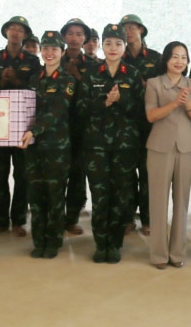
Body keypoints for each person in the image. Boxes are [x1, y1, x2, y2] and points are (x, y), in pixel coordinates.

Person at [77, 23, 145, 264]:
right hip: (96, 146)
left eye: (118, 43)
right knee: (100, 195)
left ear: (125, 46)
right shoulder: (91, 73)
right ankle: (100, 243)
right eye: (108, 43)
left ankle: (115, 243)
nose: (113, 48)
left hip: (125, 147)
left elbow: (141, 111)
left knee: (121, 196)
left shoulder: (134, 74)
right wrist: (104, 103)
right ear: (101, 46)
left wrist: (122, 99)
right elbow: (80, 108)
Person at [19, 31, 77, 259]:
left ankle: (53, 240)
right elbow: (24, 109)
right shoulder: (34, 79)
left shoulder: (67, 80)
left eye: (54, 49)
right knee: (35, 194)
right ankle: (39, 239)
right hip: (32, 146)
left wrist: (34, 130)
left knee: (55, 195)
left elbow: (57, 111)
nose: (49, 53)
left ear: (63, 52)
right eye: (46, 48)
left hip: (57, 147)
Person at [145, 41, 191, 269]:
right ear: (166, 60)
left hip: (186, 147)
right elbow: (150, 115)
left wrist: (187, 104)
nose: (180, 62)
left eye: (184, 57)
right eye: (175, 57)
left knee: (182, 203)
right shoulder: (154, 84)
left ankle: (177, 254)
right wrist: (173, 104)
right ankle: (159, 255)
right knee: (158, 202)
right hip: (159, 147)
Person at [0, 16, 40, 238]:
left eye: (20, 30)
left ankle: (18, 220)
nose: (15, 33)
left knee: (22, 175)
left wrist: (17, 83)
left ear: (26, 35)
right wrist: (0, 84)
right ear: (6, 32)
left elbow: (36, 90)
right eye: (12, 29)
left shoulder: (32, 61)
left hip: (23, 126)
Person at [121, 13, 161, 235]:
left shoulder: (156, 58)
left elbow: (167, 86)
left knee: (148, 174)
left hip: (150, 124)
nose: (128, 31)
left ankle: (147, 218)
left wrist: (149, 88)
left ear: (141, 30)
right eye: (124, 28)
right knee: (126, 174)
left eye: (132, 27)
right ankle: (127, 218)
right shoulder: (118, 57)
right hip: (125, 124)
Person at [60, 18, 96, 235]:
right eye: (71, 33)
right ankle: (54, 217)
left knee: (77, 173)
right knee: (56, 173)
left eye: (79, 34)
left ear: (85, 39)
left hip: (82, 126)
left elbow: (95, 95)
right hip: (56, 126)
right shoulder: (53, 58)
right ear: (64, 36)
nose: (74, 38)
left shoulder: (93, 65)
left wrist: (77, 77)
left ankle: (71, 218)